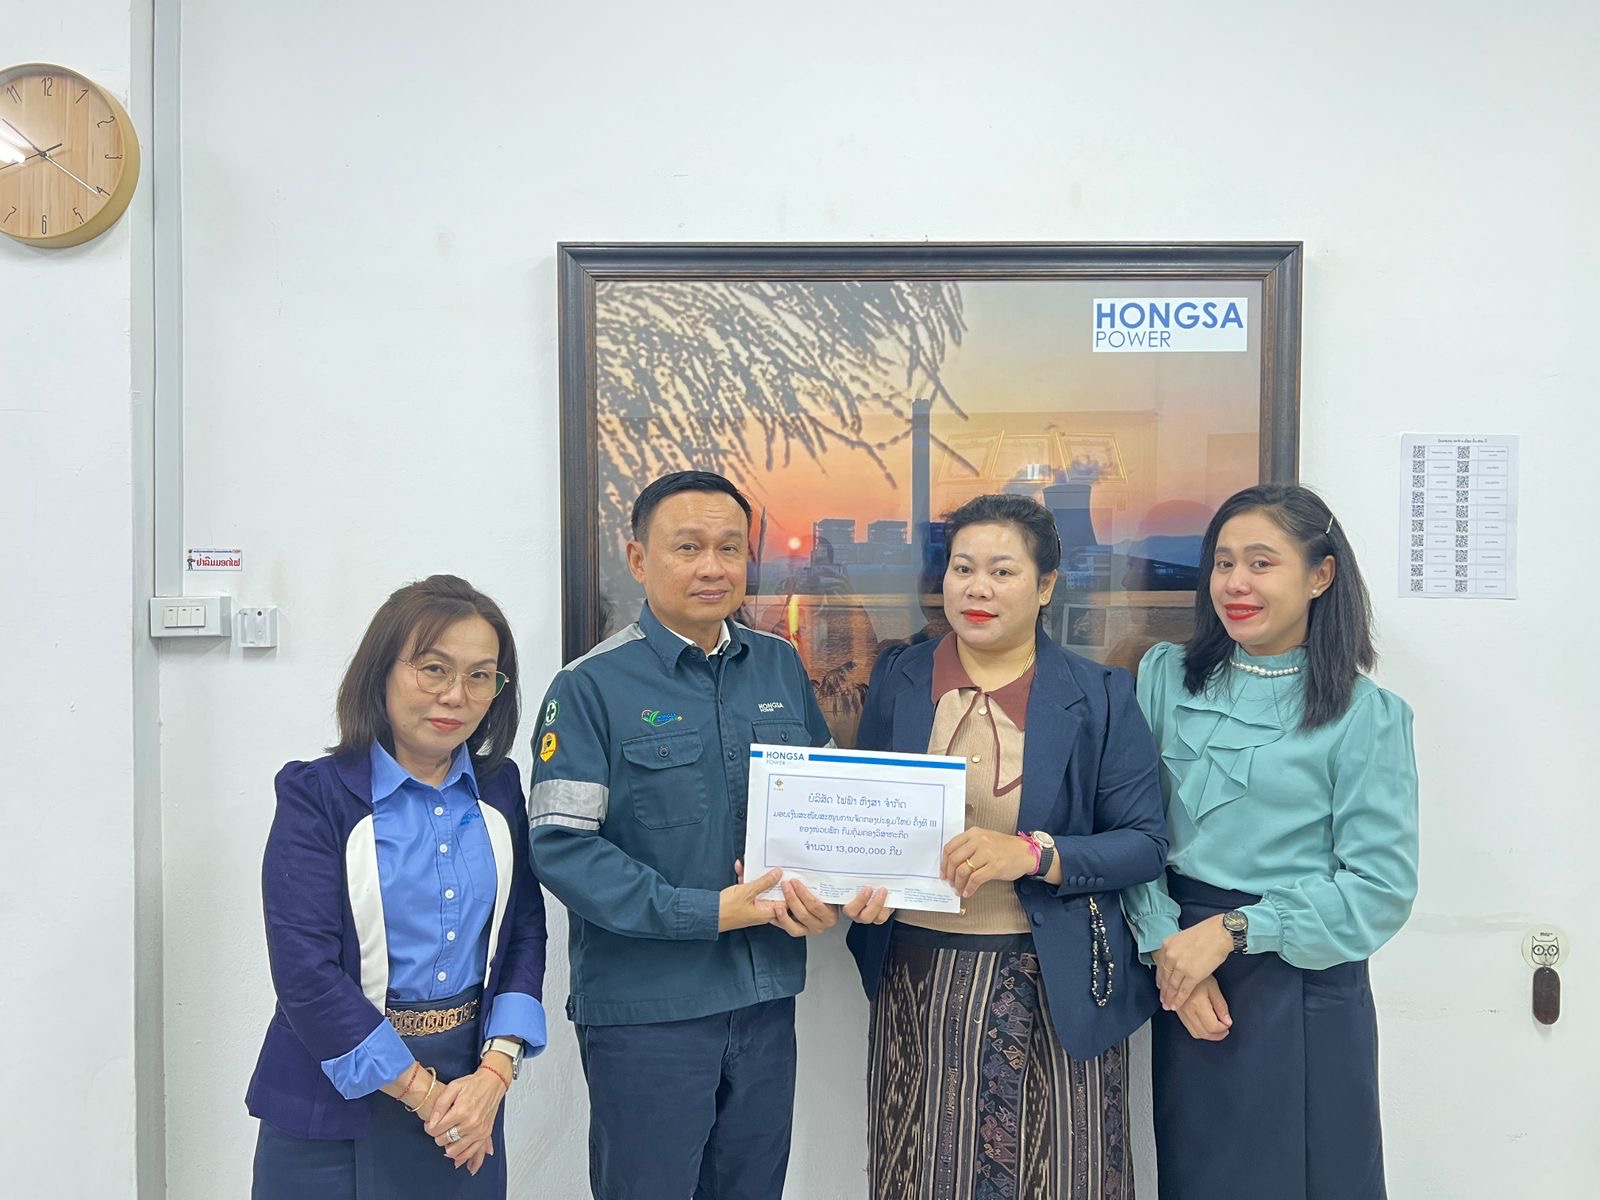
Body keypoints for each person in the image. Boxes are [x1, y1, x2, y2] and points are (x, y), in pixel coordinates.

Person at [528, 470, 844, 1200]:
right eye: (688, 547)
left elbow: (826, 808)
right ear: (639, 560)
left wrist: (831, 891)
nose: (713, 567)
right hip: (649, 1012)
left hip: (764, 1001)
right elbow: (562, 848)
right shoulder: (588, 687)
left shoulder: (779, 665)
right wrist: (705, 912)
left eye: (730, 548)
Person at [845, 492, 1168, 1200]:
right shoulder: (900, 679)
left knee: (1063, 1175)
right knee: (919, 1172)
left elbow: (1144, 843)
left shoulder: (1099, 694)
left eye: (1002, 571)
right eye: (963, 569)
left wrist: (1035, 855)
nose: (978, 589)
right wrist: (852, 882)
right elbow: (866, 813)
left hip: (1050, 980)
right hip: (917, 977)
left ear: (1045, 586)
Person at [1121, 484, 1419, 1200]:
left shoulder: (1366, 715)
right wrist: (1168, 947)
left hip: (1301, 979)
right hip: (1185, 969)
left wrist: (1231, 931)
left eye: (1261, 563)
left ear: (1321, 575)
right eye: (1223, 563)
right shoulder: (1163, 677)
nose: (1236, 583)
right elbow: (1132, 826)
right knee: (1201, 1176)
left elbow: (1379, 889)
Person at [246, 575, 547, 1198]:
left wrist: (495, 1073)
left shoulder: (499, 789)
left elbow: (523, 931)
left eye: (480, 676)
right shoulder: (316, 796)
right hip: (331, 1102)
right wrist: (425, 1095)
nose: (455, 695)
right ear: (381, 670)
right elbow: (305, 972)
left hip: (468, 1098)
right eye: (433, 669)